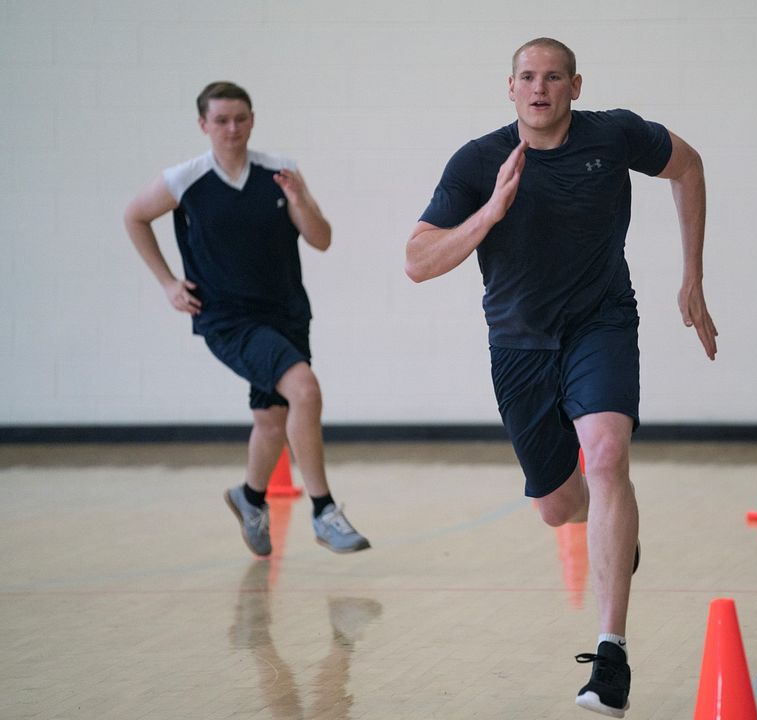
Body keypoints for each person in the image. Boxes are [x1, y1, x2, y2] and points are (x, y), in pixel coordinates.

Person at [406, 38, 716, 717]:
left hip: (601, 324)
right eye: (527, 77)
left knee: (607, 457)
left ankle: (611, 655)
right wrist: (488, 213)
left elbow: (688, 166)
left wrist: (691, 273)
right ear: (510, 88)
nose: (539, 87)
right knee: (557, 507)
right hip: (518, 347)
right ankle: (615, 537)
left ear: (576, 86)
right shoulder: (478, 161)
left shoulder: (614, 134)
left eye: (553, 77)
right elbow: (418, 261)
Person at [124, 81, 370, 557]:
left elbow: (322, 239)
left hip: (287, 313)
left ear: (252, 119)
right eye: (220, 120)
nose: (231, 128)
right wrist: (168, 283)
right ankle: (324, 510)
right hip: (227, 319)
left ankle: (250, 497)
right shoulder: (185, 179)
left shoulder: (281, 171)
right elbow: (134, 216)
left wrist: (300, 200)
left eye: (240, 118)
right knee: (305, 390)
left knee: (272, 418)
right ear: (204, 125)